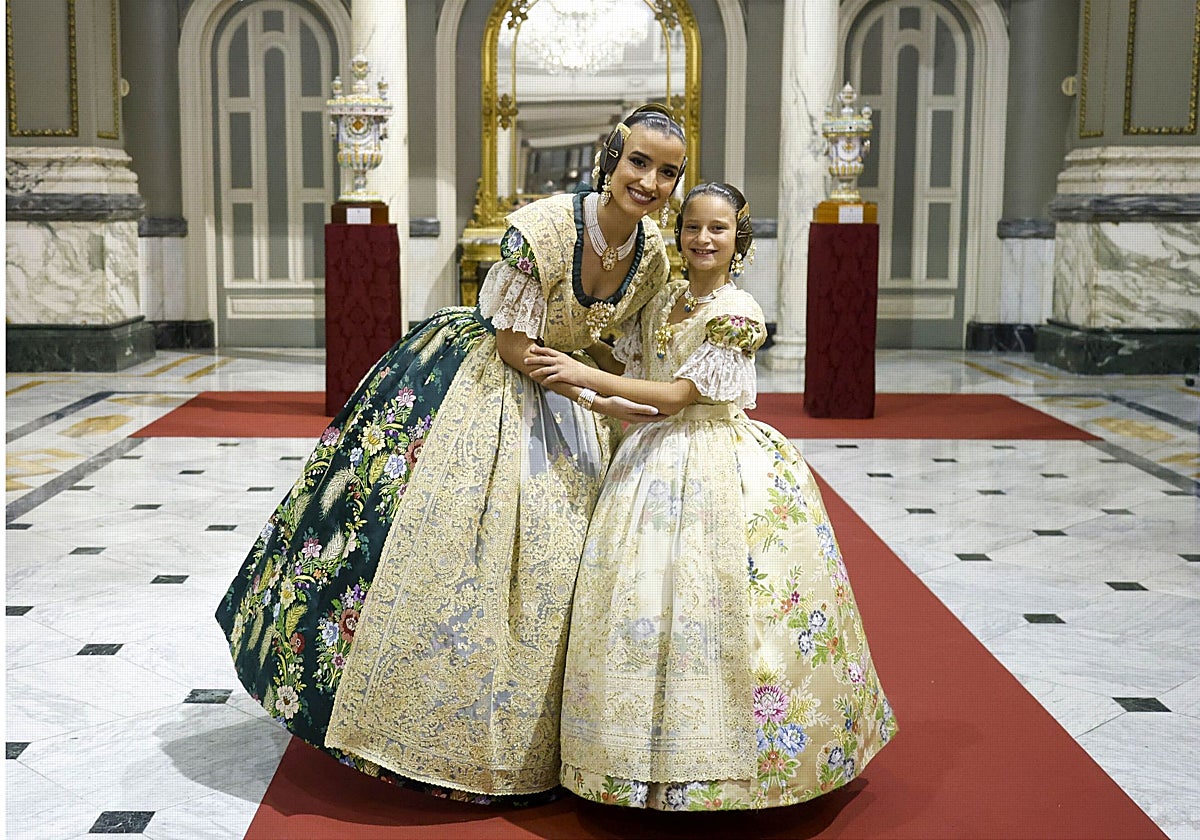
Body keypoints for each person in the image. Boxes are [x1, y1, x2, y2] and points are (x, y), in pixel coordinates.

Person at [214, 104, 687, 801]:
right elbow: (515, 347)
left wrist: (641, 391)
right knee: (443, 544)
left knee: (559, 561)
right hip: (482, 381)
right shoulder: (547, 227)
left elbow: (616, 341)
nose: (649, 181)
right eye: (638, 162)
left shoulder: (651, 252)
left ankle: (544, 739)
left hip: (567, 387)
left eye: (667, 171)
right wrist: (598, 396)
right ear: (610, 160)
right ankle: (400, 724)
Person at [525, 183, 897, 810]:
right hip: (651, 459)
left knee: (720, 597)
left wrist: (584, 375)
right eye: (693, 227)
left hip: (719, 459)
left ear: (737, 239)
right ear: (679, 233)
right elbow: (644, 393)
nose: (702, 239)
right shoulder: (667, 299)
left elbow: (679, 396)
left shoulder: (738, 312)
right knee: (642, 602)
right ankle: (630, 759)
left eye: (717, 229)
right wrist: (582, 394)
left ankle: (735, 765)